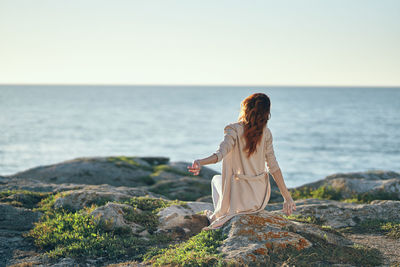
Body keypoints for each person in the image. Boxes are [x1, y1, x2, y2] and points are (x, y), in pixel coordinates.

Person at [187, 93, 296, 230]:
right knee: (220, 181)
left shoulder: (233, 129)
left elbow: (220, 155)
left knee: (216, 179)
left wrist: (200, 162)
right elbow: (273, 167)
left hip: (238, 198)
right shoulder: (266, 133)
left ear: (246, 108)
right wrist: (287, 198)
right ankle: (222, 212)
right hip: (259, 198)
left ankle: (220, 214)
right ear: (266, 113)